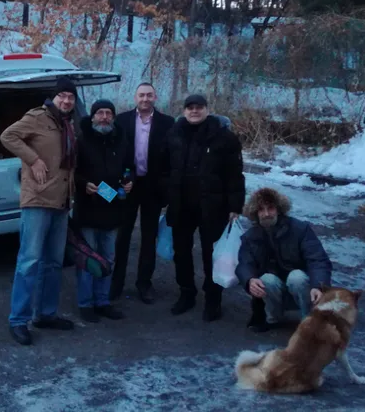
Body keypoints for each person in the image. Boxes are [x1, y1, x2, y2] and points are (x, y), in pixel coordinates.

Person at [0, 77, 79, 346]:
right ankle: (18, 320)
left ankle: (45, 314)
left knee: (53, 263)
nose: (66, 101)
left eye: (71, 97)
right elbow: (8, 136)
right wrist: (32, 159)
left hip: (61, 201)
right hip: (37, 199)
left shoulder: (68, 122)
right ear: (54, 97)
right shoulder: (37, 117)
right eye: (62, 96)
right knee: (29, 262)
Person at [161, 93, 245, 321]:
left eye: (199, 107)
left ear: (207, 109)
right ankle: (186, 294)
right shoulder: (174, 135)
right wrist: (165, 195)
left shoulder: (224, 137)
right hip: (181, 205)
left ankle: (213, 300)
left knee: (212, 254)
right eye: (190, 107)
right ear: (184, 110)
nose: (194, 111)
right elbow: (165, 169)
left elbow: (235, 176)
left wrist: (235, 205)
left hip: (213, 206)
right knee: (182, 253)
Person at [236, 187, 333, 333]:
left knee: (297, 277)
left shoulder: (300, 229)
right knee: (266, 279)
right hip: (273, 288)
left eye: (271, 208)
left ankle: (311, 318)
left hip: (301, 286)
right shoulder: (250, 237)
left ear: (279, 209)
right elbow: (244, 263)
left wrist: (318, 285)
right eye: (261, 210)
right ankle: (273, 318)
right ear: (255, 213)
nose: (267, 214)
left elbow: (318, 260)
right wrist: (249, 279)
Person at [111, 82, 175, 303]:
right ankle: (115, 282)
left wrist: (167, 187)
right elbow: (115, 153)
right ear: (135, 97)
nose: (145, 99)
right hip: (128, 185)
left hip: (153, 186)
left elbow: (171, 158)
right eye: (141, 95)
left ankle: (144, 284)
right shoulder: (121, 120)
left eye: (149, 95)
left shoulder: (167, 123)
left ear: (155, 97)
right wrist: (121, 179)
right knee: (122, 235)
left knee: (149, 236)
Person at [73, 99, 133, 322]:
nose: (105, 117)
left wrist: (129, 180)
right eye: (100, 113)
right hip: (88, 208)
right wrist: (82, 184)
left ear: (113, 117)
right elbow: (72, 171)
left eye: (109, 113)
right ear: (92, 116)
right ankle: (85, 303)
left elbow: (130, 166)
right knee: (89, 258)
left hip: (113, 208)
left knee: (108, 257)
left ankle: (102, 301)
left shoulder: (121, 139)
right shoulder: (81, 139)